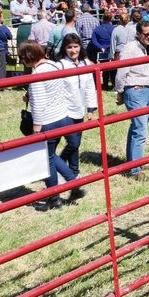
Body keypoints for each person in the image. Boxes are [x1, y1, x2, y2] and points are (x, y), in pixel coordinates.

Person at [18, 40, 83, 211]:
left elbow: (39, 105)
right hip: (63, 117)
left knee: (45, 160)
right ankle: (74, 184)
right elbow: (52, 91)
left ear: (28, 57)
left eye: (22, 58)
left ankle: (54, 198)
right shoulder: (54, 66)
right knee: (52, 156)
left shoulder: (36, 75)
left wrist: (36, 130)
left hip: (48, 122)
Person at [115, 21, 149, 181]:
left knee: (137, 128)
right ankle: (134, 170)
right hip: (135, 90)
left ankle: (134, 162)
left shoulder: (141, 47)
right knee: (140, 129)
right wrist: (120, 92)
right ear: (138, 33)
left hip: (143, 89)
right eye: (146, 34)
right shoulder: (130, 48)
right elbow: (121, 71)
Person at [55, 33, 97, 184]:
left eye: (75, 46)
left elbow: (90, 87)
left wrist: (91, 109)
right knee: (73, 143)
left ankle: (73, 171)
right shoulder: (60, 65)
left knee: (76, 143)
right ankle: (58, 166)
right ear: (64, 49)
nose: (73, 50)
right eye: (69, 47)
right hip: (64, 111)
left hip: (79, 109)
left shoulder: (85, 63)